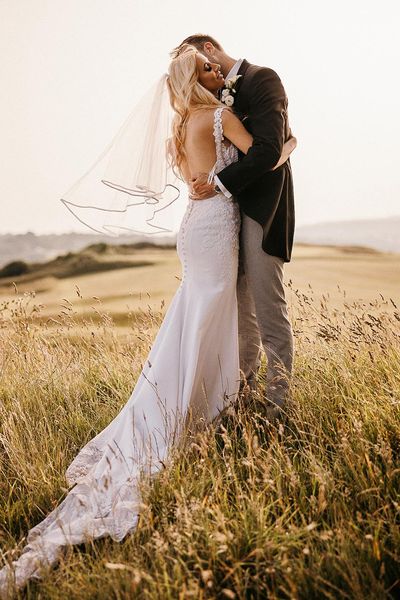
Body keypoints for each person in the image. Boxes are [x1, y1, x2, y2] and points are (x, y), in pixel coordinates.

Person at [0, 44, 296, 595]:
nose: (217, 75)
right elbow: (266, 154)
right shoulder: (218, 115)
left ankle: (180, 402)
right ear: (197, 78)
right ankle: (199, 410)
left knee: (195, 315)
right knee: (213, 315)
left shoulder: (177, 129)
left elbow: (196, 177)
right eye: (209, 70)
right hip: (220, 226)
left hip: (193, 227)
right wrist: (294, 141)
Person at [178, 35, 296, 415]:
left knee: (267, 309)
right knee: (237, 313)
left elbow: (267, 151)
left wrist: (220, 182)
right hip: (220, 219)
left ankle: (277, 408)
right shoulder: (206, 109)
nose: (209, 72)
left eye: (201, 62)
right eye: (199, 71)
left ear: (209, 48)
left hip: (261, 211)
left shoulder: (263, 80)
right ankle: (239, 400)